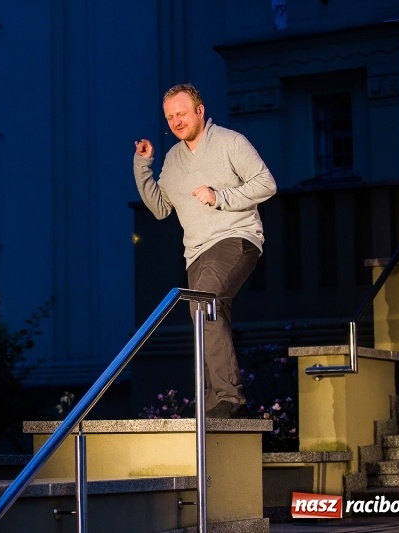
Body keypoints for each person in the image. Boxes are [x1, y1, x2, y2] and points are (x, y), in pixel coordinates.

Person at [133, 83, 277, 419]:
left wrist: (220, 196)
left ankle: (228, 397)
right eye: (170, 117)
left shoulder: (230, 142)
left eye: (181, 113)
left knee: (203, 303)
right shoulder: (173, 159)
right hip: (196, 253)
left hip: (236, 238)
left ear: (199, 110)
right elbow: (159, 208)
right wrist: (143, 166)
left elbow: (266, 183)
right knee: (206, 316)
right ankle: (216, 405)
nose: (176, 121)